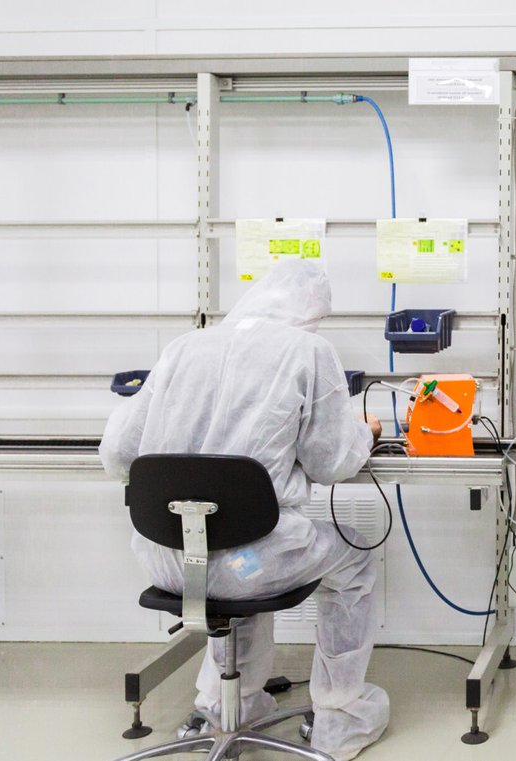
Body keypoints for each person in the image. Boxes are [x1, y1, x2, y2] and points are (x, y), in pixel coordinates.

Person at [100, 259, 388, 761]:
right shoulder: (308, 350)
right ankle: (340, 718)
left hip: (167, 558)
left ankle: (224, 705)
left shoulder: (184, 347)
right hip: (248, 566)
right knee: (352, 558)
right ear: (312, 313)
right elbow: (332, 462)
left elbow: (118, 454)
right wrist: (365, 433)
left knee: (237, 537)